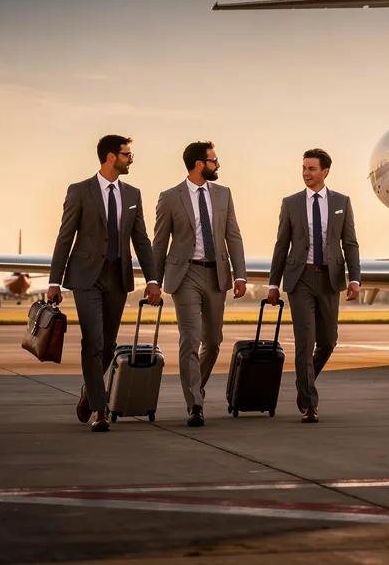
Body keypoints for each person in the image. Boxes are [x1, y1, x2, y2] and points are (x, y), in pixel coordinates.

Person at [47, 135, 161, 432]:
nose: (131, 159)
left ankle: (90, 389)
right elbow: (64, 237)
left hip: (118, 277)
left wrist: (152, 280)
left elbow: (141, 240)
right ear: (111, 157)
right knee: (93, 341)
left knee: (108, 344)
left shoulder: (133, 194)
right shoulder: (80, 191)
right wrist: (54, 282)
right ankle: (100, 409)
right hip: (86, 277)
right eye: (127, 154)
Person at [152, 141, 248, 427]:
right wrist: (154, 281)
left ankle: (197, 385)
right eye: (214, 160)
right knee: (190, 339)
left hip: (216, 275)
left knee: (214, 342)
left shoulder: (223, 194)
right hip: (185, 275)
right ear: (198, 164)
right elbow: (159, 243)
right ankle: (195, 403)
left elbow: (234, 236)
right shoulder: (170, 197)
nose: (218, 165)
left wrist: (239, 274)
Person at [267, 148, 360, 423]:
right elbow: (281, 244)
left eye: (311, 169)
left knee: (328, 342)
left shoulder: (342, 201)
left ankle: (304, 384)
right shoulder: (291, 203)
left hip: (330, 279)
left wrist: (354, 278)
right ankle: (309, 403)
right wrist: (274, 283)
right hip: (301, 279)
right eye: (304, 168)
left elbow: (350, 243)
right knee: (305, 342)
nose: (306, 173)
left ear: (325, 172)